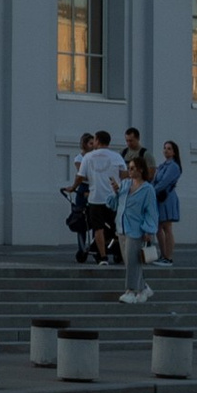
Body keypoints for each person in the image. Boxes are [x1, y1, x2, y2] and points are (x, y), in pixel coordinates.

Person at [115, 150, 160, 303]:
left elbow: (151, 212)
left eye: (133, 168)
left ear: (141, 170)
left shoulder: (147, 189)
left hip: (136, 229)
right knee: (129, 261)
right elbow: (116, 204)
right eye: (129, 168)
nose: (130, 171)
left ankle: (131, 291)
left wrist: (148, 230)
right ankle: (143, 287)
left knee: (133, 261)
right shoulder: (125, 185)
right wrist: (115, 191)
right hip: (122, 227)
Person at [76, 129, 124, 267]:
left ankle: (102, 256)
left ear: (97, 140)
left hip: (95, 198)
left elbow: (80, 176)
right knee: (115, 227)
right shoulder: (116, 156)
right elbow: (125, 174)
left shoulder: (88, 157)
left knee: (98, 228)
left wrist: (73, 187)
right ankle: (118, 250)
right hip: (113, 198)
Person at [155, 141, 184, 263]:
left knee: (167, 227)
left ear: (174, 152)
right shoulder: (162, 165)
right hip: (159, 197)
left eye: (169, 148)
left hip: (167, 198)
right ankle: (163, 254)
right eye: (165, 148)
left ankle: (168, 256)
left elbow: (164, 182)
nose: (166, 150)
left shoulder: (173, 166)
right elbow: (155, 180)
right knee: (158, 227)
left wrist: (151, 191)